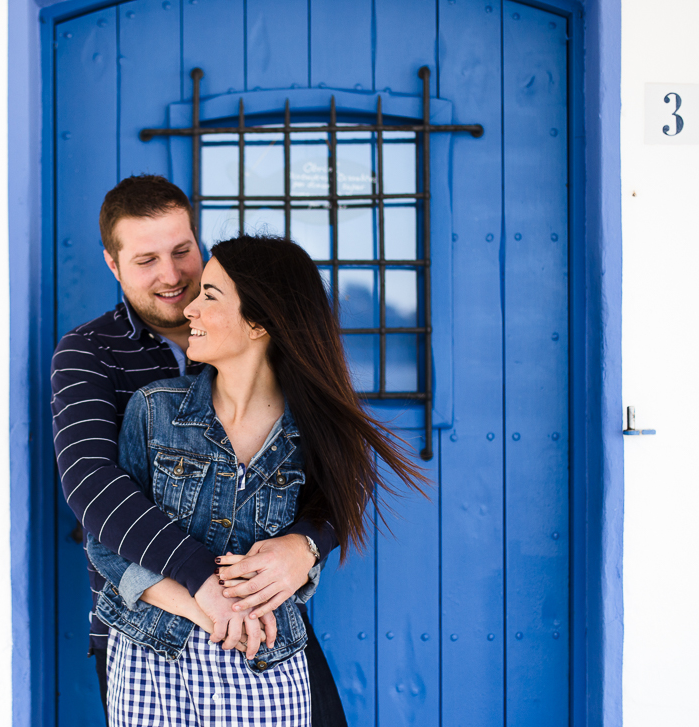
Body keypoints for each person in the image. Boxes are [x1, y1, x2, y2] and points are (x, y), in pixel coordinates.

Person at [86, 235, 428, 726]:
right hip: (150, 658)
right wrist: (205, 606)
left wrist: (303, 551)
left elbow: (335, 510)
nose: (190, 311)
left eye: (210, 295)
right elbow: (107, 544)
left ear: (259, 322)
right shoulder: (153, 409)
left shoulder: (313, 432)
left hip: (263, 662)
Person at [50, 176, 346, 724]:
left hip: (261, 631)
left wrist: (305, 546)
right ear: (113, 266)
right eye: (146, 261)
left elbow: (336, 478)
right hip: (149, 624)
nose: (171, 277)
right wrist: (202, 586)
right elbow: (93, 486)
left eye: (182, 251)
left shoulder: (270, 352)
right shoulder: (90, 353)